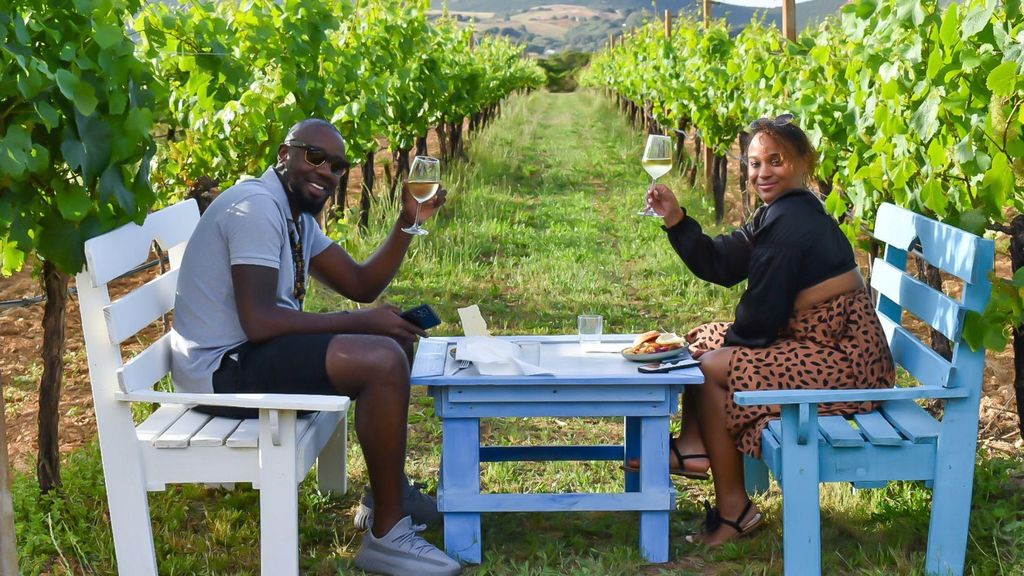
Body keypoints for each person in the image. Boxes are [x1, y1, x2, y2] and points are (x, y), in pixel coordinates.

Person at [170, 118, 461, 576]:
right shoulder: (256, 209)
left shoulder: (293, 215)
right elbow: (260, 320)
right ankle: (388, 534)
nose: (327, 171)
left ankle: (386, 494)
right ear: (285, 155)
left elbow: (361, 284)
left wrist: (407, 222)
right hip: (220, 371)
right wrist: (364, 321)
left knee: (392, 338)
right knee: (382, 357)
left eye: (338, 166)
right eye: (315, 156)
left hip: (249, 355)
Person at [642, 115, 895, 546]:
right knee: (702, 339)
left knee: (711, 366)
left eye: (775, 161)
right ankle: (693, 446)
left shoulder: (792, 224)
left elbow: (763, 312)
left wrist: (723, 355)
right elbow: (723, 264)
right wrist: (677, 219)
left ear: (803, 162)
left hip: (846, 362)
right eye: (755, 163)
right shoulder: (780, 210)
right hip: (814, 340)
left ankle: (734, 511)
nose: (762, 173)